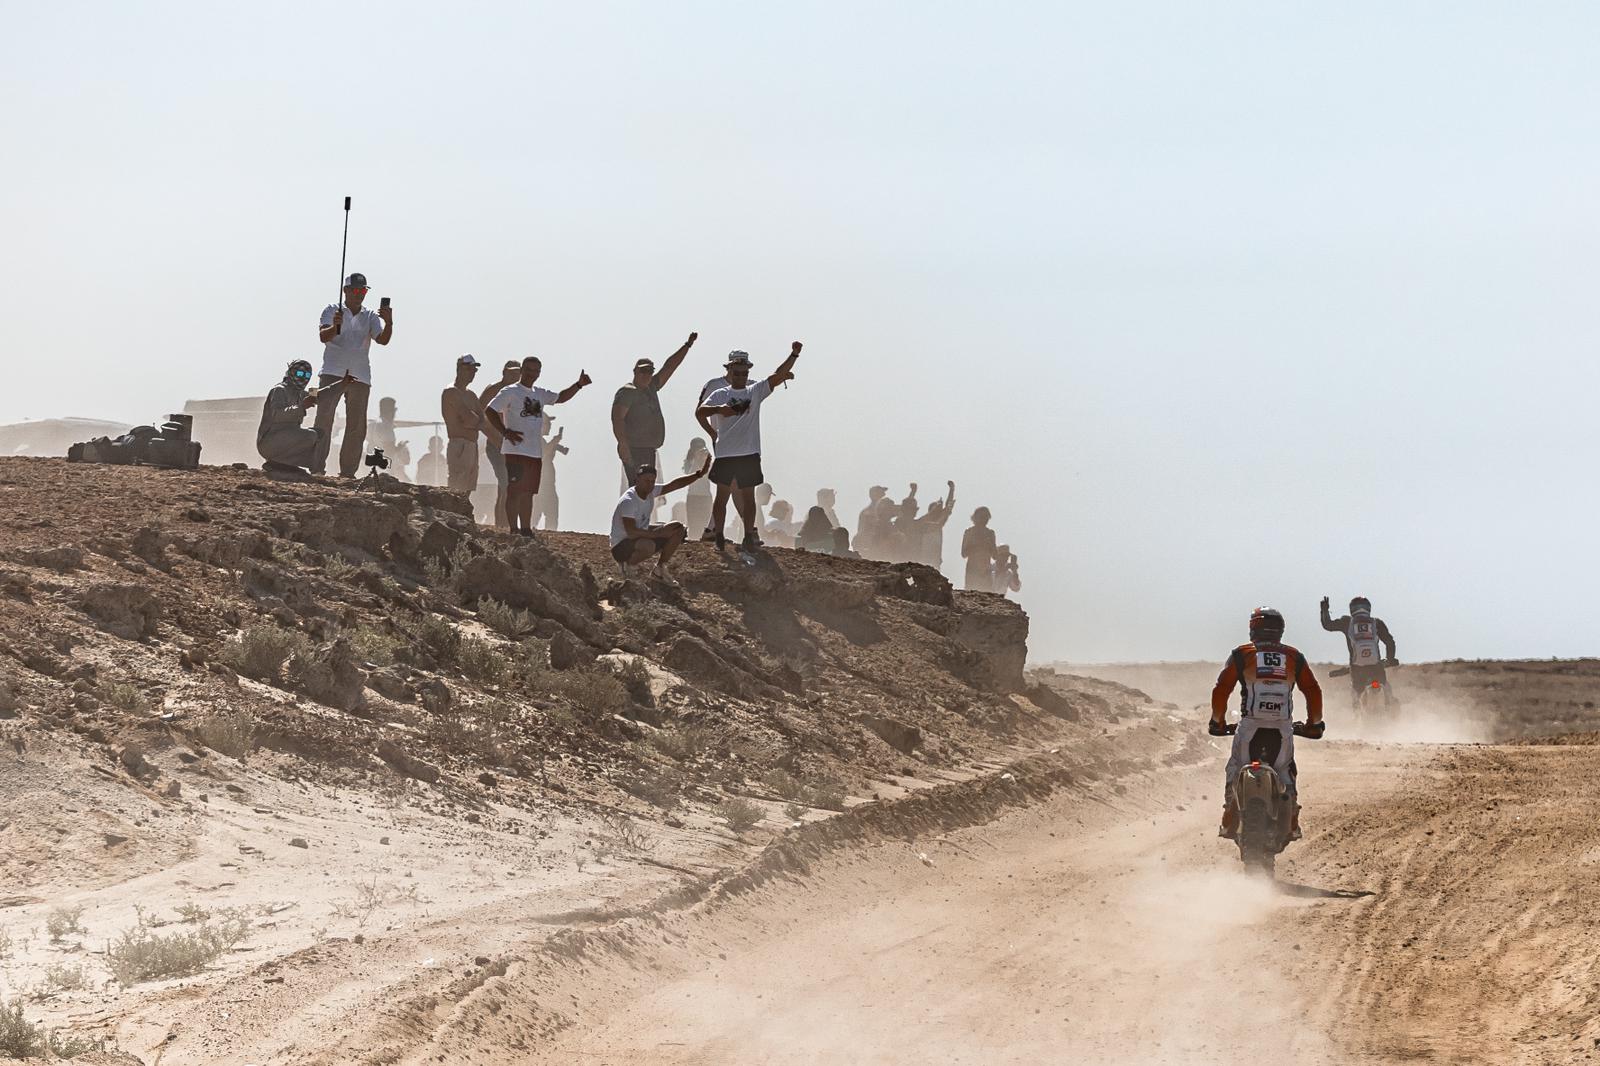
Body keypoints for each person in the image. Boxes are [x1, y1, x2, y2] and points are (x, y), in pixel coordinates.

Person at [1210, 607, 1325, 841]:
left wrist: (1217, 722)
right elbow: (1312, 690)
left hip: (1249, 726)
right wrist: (1314, 723)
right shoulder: (1294, 656)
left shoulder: (1242, 654)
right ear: (1280, 630)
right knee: (1285, 771)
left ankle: (1230, 816)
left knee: (1236, 768)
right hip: (1282, 728)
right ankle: (1291, 821)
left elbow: (1222, 689)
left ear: (1253, 628)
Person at [696, 344, 803, 550]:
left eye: (744, 372)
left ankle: (747, 535)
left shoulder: (754, 390)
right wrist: (717, 419)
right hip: (725, 452)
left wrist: (794, 355)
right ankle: (717, 534)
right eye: (737, 372)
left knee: (748, 496)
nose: (740, 376)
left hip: (748, 453)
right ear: (729, 369)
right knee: (722, 496)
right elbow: (700, 411)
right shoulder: (718, 391)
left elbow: (776, 376)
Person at [484, 357, 592, 536]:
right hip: (515, 450)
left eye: (536, 371)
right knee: (514, 491)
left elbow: (560, 397)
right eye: (529, 370)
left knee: (528, 492)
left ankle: (526, 529)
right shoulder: (510, 391)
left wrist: (578, 385)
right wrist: (505, 432)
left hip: (534, 452)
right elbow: (490, 410)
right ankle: (514, 529)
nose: (532, 374)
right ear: (522, 370)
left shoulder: (539, 393)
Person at [313, 272, 394, 477]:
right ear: (346, 291)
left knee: (356, 425)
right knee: (324, 420)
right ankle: (316, 467)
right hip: (332, 372)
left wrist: (389, 322)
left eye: (363, 290)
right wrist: (336, 326)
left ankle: (348, 472)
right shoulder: (332, 310)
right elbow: (323, 336)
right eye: (356, 290)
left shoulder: (370, 316)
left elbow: (382, 340)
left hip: (360, 376)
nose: (359, 294)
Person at [613, 332, 698, 488]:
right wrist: (623, 444)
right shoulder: (628, 391)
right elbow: (617, 418)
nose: (646, 375)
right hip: (634, 449)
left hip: (648, 448)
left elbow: (670, 367)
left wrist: (687, 345)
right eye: (643, 371)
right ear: (635, 372)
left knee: (647, 488)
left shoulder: (651, 387)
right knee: (638, 487)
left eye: (650, 371)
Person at [610, 457, 712, 581]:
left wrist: (698, 474)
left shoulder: (651, 491)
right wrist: (658, 534)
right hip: (621, 546)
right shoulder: (629, 501)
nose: (650, 484)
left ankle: (660, 569)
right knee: (648, 546)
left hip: (639, 537)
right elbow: (631, 532)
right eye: (646, 480)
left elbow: (674, 485)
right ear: (637, 480)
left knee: (678, 528)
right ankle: (628, 567)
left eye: (652, 481)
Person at [1320, 595, 1399, 704]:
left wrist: (1324, 610)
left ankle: (1357, 710)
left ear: (1352, 609)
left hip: (1357, 669)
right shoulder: (1376, 623)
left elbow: (1328, 625)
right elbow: (1390, 642)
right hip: (1376, 667)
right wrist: (1390, 658)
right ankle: (1391, 708)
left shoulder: (1347, 622)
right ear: (1368, 608)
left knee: (1356, 695)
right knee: (1386, 688)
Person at [257, 360, 325, 474]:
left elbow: (323, 393)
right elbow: (278, 415)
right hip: (269, 441)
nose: (303, 377)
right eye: (299, 373)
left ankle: (288, 465)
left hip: (284, 437)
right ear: (291, 372)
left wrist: (342, 383)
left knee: (319, 433)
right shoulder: (279, 390)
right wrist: (302, 407)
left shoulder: (300, 392)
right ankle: (277, 462)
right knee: (311, 435)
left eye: (307, 375)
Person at [477, 360, 520, 528]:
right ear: (504, 372)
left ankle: (504, 525)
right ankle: (503, 525)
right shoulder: (493, 390)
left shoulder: (517, 392)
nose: (515, 376)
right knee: (506, 484)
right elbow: (480, 416)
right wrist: (495, 437)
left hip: (511, 446)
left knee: (508, 486)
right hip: (496, 445)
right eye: (511, 373)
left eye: (517, 373)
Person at [694, 368, 731, 541]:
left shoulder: (749, 386)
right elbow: (699, 411)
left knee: (734, 487)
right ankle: (713, 529)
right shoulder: (714, 385)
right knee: (728, 485)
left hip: (743, 446)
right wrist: (712, 433)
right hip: (723, 443)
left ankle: (713, 528)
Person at [441, 354, 483, 495]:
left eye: (474, 370)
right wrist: (474, 420)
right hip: (459, 443)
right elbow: (469, 419)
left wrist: (474, 420)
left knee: (468, 488)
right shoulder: (451, 392)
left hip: (471, 444)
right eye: (469, 369)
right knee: (457, 487)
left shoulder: (471, 395)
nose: (472, 373)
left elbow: (481, 420)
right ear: (459, 369)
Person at [533, 417, 567, 531]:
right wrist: (554, 442)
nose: (550, 426)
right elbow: (543, 455)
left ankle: (548, 534)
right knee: (544, 513)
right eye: (547, 423)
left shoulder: (540, 440)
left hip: (545, 483)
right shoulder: (536, 440)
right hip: (542, 484)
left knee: (547, 514)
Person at [915, 481, 957, 569]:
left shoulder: (939, 521)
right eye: (936, 509)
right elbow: (944, 514)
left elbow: (947, 507)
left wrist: (951, 490)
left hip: (935, 558)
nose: (938, 511)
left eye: (939, 510)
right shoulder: (924, 523)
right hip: (924, 558)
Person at [369, 397, 411, 482]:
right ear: (390, 411)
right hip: (384, 469)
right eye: (394, 410)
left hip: (372, 466)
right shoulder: (386, 427)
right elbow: (389, 451)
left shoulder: (372, 424)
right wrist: (400, 448)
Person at [961, 507, 999, 591]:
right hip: (972, 570)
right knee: (971, 593)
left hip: (985, 571)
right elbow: (963, 553)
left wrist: (989, 544)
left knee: (985, 594)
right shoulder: (969, 532)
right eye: (982, 517)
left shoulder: (990, 533)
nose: (984, 520)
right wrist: (976, 545)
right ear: (975, 518)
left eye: (986, 517)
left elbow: (995, 556)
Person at [683, 438, 713, 538]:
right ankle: (693, 540)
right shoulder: (689, 461)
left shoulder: (708, 461)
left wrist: (706, 460)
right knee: (693, 523)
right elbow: (688, 473)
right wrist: (696, 460)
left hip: (706, 496)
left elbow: (712, 475)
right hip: (693, 496)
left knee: (705, 523)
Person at [856, 486, 894, 559]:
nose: (883, 494)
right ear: (873, 495)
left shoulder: (868, 511)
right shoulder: (867, 513)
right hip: (871, 543)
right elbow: (861, 530)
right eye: (880, 492)